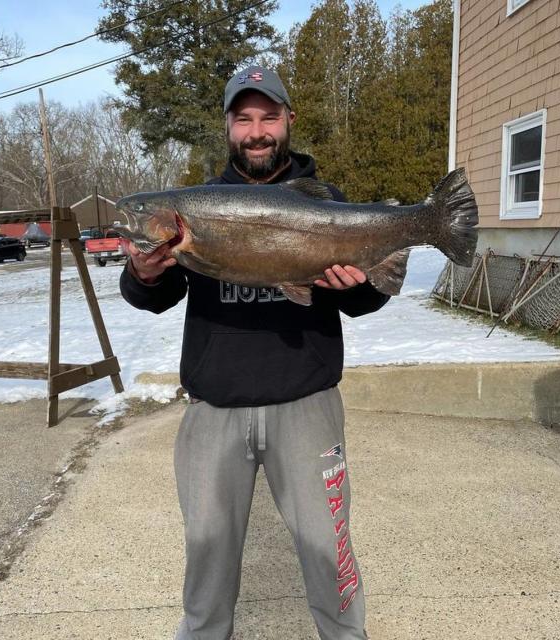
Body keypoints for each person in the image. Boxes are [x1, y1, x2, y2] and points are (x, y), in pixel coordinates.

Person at [119, 66, 390, 640]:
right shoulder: (200, 205)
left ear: (289, 120)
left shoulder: (328, 203)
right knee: (207, 569)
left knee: (329, 559)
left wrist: (357, 285)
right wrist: (141, 272)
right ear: (228, 128)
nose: (257, 131)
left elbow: (365, 303)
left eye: (269, 116)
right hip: (214, 410)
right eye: (244, 119)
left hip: (308, 407)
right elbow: (154, 296)